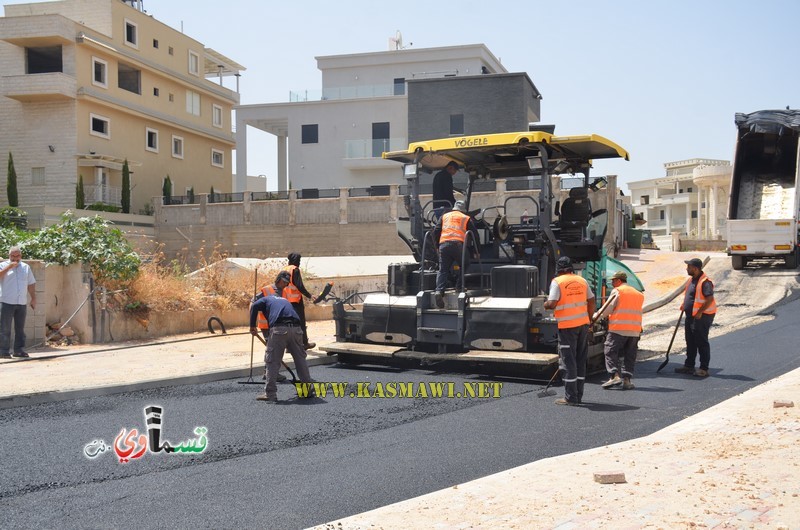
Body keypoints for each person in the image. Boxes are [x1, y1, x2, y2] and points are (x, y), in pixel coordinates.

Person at [544, 256, 596, 405]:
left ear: (558, 270)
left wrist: (545, 304)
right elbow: (592, 300)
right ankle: (578, 395)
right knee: (580, 360)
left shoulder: (557, 282)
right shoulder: (582, 280)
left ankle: (570, 398)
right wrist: (589, 318)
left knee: (568, 361)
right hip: (583, 325)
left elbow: (553, 303)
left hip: (567, 327)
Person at [249, 293, 314, 403]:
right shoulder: (284, 300)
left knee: (272, 361)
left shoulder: (264, 300)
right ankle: (307, 390)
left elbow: (254, 306)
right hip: (297, 329)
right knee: (300, 359)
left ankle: (270, 394)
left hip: (280, 329)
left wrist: (252, 326)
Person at [593, 271, 644, 390]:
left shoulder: (618, 291)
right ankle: (627, 380)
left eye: (613, 280)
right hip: (634, 330)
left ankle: (614, 375)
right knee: (630, 355)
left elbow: (608, 308)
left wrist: (595, 317)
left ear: (619, 281)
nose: (612, 283)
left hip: (619, 329)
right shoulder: (638, 294)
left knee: (610, 350)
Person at [431, 200, 479, 308]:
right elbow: (475, 235)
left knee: (442, 269)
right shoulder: (465, 218)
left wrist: (437, 247)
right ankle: (459, 286)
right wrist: (476, 251)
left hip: (443, 244)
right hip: (457, 245)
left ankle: (439, 291)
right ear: (463, 209)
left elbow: (436, 231)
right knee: (465, 263)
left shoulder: (444, 216)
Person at [675, 257, 716, 377]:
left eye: (689, 267)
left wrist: (699, 312)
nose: (686, 268)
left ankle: (704, 368)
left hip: (702, 316)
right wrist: (685, 305)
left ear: (696, 268)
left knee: (701, 342)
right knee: (690, 341)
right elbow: (691, 295)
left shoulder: (705, 282)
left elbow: (709, 299)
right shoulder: (692, 280)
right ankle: (689, 365)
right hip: (690, 315)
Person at [250, 271, 291, 382]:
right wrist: (252, 323)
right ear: (278, 279)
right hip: (266, 325)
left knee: (275, 348)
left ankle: (269, 372)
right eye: (284, 282)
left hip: (279, 325)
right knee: (272, 348)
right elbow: (253, 304)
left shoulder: (285, 292)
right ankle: (270, 373)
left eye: (287, 283)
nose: (285, 285)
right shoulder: (266, 290)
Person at [0, 246, 36, 359]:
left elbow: (31, 283)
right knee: (5, 328)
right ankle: (3, 351)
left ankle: (19, 350)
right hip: (6, 301)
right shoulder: (2, 265)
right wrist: (9, 267)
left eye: (17, 256)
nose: (15, 258)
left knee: (20, 329)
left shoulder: (26, 267)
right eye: (13, 256)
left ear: (21, 256)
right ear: (9, 256)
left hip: (21, 302)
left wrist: (33, 298)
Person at [283, 253, 316, 350]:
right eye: (299, 260)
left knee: (289, 324)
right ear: (295, 260)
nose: (299, 263)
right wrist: (310, 295)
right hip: (296, 301)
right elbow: (299, 286)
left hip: (286, 301)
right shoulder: (295, 270)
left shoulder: (284, 269)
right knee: (300, 323)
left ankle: (289, 347)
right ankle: (304, 343)